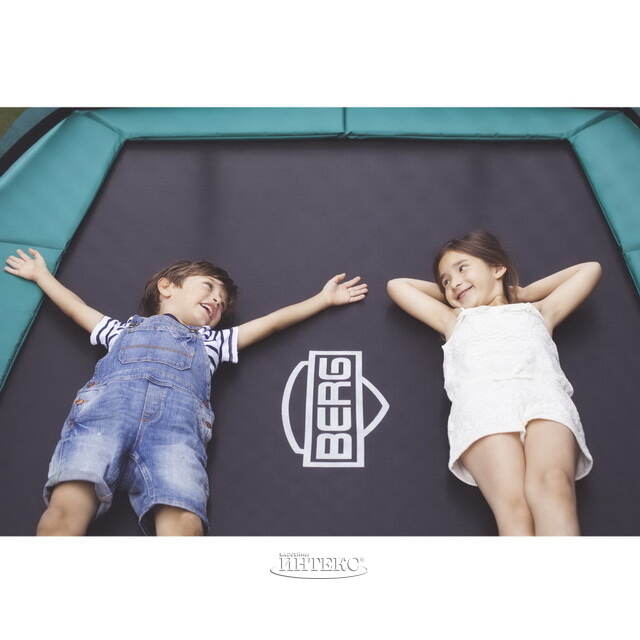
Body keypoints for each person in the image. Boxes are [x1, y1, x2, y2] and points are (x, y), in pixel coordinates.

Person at [4, 249, 368, 536]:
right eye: (208, 287)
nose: (217, 301)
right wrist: (41, 276)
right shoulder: (120, 331)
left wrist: (322, 300)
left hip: (173, 437)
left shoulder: (213, 343)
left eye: (222, 302)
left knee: (185, 523)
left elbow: (272, 323)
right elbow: (75, 308)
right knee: (66, 509)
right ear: (166, 287)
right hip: (104, 420)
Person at [386, 229, 601, 536]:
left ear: (498, 268)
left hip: (544, 400)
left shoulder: (539, 311)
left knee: (553, 485)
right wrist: (457, 292)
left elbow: (590, 269)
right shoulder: (452, 319)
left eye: (462, 268)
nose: (453, 282)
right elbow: (397, 286)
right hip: (484, 407)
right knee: (514, 507)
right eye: (445, 281)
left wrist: (523, 292)